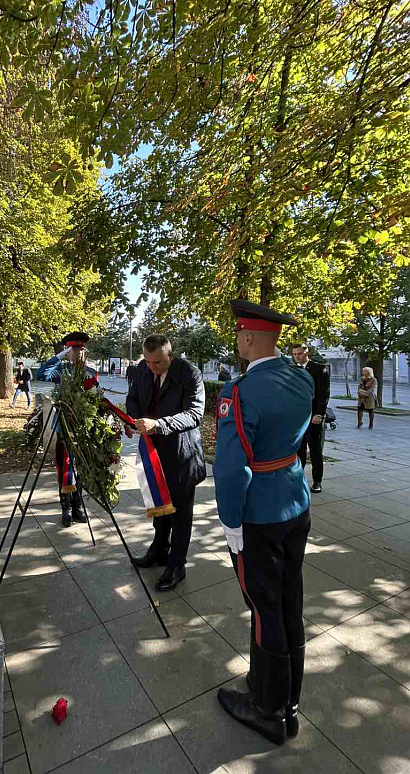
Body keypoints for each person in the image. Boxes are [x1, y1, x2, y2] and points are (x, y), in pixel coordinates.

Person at [213, 299, 314, 746]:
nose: (237, 341)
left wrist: (230, 522)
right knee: (290, 600)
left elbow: (231, 468)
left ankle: (269, 710)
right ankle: (288, 699)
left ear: (250, 337)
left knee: (263, 608)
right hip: (296, 503)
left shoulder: (238, 392)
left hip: (259, 515)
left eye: (238, 334)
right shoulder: (303, 379)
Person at [127, 334, 206, 591]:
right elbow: (134, 398)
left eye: (158, 362)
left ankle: (177, 565)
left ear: (170, 355)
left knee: (181, 514)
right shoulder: (142, 368)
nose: (152, 367)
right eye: (148, 362)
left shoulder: (189, 373)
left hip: (182, 454)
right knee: (158, 504)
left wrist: (158, 425)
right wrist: (134, 420)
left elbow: (194, 414)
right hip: (153, 450)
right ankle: (159, 549)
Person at [36, 332, 98, 527]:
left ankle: (78, 505)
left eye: (81, 349)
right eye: (74, 350)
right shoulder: (59, 370)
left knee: (82, 467)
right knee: (64, 467)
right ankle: (66, 508)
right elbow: (41, 376)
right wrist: (59, 357)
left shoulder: (90, 371)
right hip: (63, 426)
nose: (78, 353)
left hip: (83, 427)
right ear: (67, 351)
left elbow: (95, 396)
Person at [291, 343, 330, 493]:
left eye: (299, 353)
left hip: (313, 417)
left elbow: (324, 393)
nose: (297, 357)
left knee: (315, 451)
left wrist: (319, 414)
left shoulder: (319, 369)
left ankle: (317, 481)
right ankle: (298, 479)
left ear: (308, 353)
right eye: (294, 354)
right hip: (297, 418)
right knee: (298, 451)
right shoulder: (292, 370)